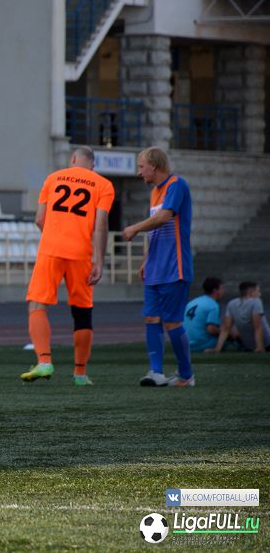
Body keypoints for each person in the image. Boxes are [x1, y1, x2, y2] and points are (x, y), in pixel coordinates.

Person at [20, 146, 114, 386]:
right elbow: (101, 225)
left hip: (51, 250)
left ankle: (44, 361)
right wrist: (99, 260)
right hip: (81, 253)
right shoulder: (103, 185)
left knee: (37, 303)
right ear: (92, 165)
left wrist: (54, 236)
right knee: (82, 310)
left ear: (73, 159)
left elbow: (39, 219)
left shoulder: (53, 178)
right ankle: (80, 374)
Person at [123, 147, 195, 387]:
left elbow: (163, 218)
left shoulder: (176, 185)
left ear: (154, 166)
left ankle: (186, 375)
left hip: (175, 266)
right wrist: (146, 260)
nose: (139, 172)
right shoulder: (154, 192)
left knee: (172, 322)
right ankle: (156, 372)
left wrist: (134, 227)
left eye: (141, 166)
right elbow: (155, 229)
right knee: (151, 318)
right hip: (155, 266)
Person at [211, 282, 269, 353]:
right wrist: (260, 347)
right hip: (267, 344)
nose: (260, 294)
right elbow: (258, 327)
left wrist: (217, 348)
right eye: (258, 291)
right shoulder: (256, 301)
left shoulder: (231, 303)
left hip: (249, 346)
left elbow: (226, 329)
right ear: (250, 293)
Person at [182, 276, 229, 352]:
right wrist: (225, 332)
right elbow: (211, 330)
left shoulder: (193, 302)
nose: (224, 291)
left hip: (184, 344)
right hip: (200, 344)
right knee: (228, 339)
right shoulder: (213, 305)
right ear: (215, 290)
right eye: (222, 288)